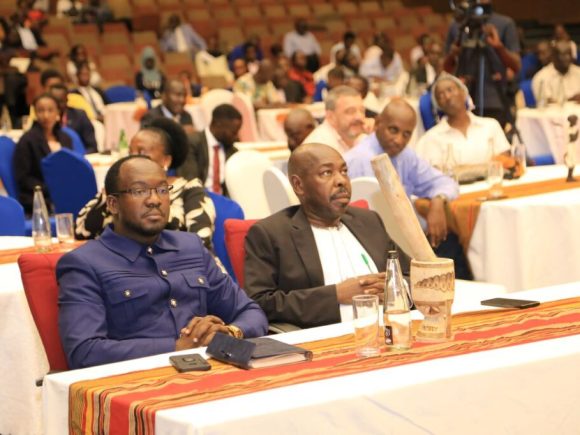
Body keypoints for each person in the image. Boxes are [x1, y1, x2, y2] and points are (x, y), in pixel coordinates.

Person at [58, 155, 268, 369]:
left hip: (213, 371)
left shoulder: (191, 246)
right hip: (141, 381)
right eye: (140, 191)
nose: (155, 200)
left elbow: (251, 312)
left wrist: (228, 333)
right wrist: (176, 347)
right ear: (112, 204)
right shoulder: (84, 263)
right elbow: (84, 351)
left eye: (162, 190)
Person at [244, 143, 407, 328]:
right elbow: (259, 302)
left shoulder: (368, 221)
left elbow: (410, 274)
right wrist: (336, 295)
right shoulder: (271, 234)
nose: (341, 181)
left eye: (344, 171)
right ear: (299, 185)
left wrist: (393, 289)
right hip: (327, 338)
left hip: (390, 330)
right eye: (326, 173)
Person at [344, 99, 472, 279]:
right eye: (393, 130)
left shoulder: (405, 155)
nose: (399, 140)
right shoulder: (359, 160)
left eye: (406, 134)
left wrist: (438, 200)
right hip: (382, 250)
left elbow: (445, 182)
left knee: (455, 243)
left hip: (411, 242)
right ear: (378, 123)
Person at [75, 118, 216, 249]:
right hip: (118, 265)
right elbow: (81, 232)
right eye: (130, 152)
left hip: (176, 268)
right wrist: (106, 196)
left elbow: (201, 243)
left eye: (142, 153)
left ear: (166, 161)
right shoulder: (118, 189)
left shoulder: (189, 190)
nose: (134, 158)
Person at [444, 0, 521, 126]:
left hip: (495, 99)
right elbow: (446, 68)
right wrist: (453, 53)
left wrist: (499, 47)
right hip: (463, 99)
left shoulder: (505, 23)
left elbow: (516, 66)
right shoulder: (458, 24)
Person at [415, 74, 511, 169]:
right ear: (438, 105)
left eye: (450, 90)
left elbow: (506, 163)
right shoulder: (432, 137)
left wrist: (462, 169)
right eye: (440, 95)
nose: (447, 97)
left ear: (464, 93)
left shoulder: (490, 125)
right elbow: (436, 174)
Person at [13, 93, 73, 213]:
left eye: (50, 110)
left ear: (58, 112)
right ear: (35, 113)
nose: (46, 115)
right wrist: (52, 188)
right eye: (40, 110)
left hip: (65, 193)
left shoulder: (65, 138)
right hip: (39, 197)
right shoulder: (27, 140)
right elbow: (23, 178)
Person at [177, 104, 242, 195]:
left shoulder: (232, 151)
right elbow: (191, 182)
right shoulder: (192, 143)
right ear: (218, 124)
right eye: (233, 132)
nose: (237, 137)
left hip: (225, 201)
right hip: (198, 198)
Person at [303, 85, 366, 154]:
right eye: (350, 111)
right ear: (331, 116)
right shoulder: (319, 147)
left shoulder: (362, 137)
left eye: (362, 111)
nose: (359, 117)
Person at [49, 83, 98, 153]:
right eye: (54, 102)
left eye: (60, 101)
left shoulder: (80, 116)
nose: (57, 105)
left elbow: (92, 147)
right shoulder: (45, 121)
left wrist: (79, 157)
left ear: (67, 100)